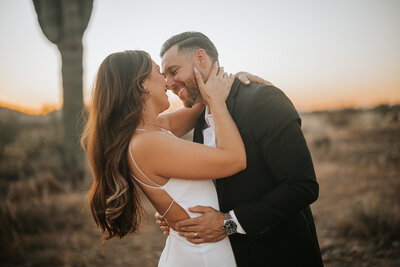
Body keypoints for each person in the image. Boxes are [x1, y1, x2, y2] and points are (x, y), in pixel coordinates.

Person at [81, 49, 269, 266]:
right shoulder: (147, 144)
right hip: (202, 256)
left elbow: (200, 104)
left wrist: (231, 82)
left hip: (200, 249)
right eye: (159, 72)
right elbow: (235, 159)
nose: (167, 82)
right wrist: (217, 101)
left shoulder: (152, 131)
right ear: (142, 84)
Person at [156, 32, 324, 266]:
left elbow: (302, 186)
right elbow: (216, 186)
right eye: (165, 76)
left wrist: (229, 223)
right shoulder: (200, 117)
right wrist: (176, 213)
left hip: (281, 253)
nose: (168, 83)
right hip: (228, 257)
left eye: (173, 71)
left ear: (201, 58)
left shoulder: (263, 99)